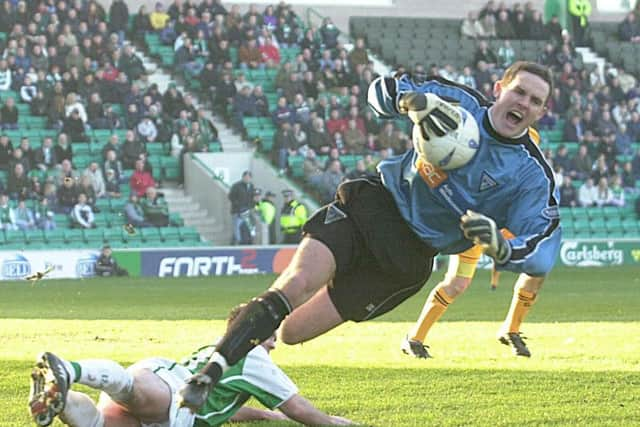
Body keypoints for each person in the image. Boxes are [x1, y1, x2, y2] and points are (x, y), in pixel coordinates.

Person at [178, 61, 561, 410]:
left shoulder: (531, 174)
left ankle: (251, 324)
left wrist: (500, 246)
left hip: (406, 261)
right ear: (499, 89)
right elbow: (382, 89)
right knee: (294, 284)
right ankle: (206, 375)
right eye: (519, 92)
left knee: (292, 332)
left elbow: (541, 250)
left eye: (535, 101)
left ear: (542, 112)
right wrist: (405, 102)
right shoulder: (457, 101)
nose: (524, 103)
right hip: (373, 206)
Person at [29, 307, 353, 427]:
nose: (274, 340)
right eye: (269, 332)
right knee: (130, 390)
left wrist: (268, 415)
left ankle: (58, 397)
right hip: (171, 390)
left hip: (168, 395)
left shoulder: (225, 353)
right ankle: (68, 370)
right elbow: (298, 407)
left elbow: (219, 406)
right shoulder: (252, 357)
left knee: (101, 422)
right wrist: (333, 424)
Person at [228, 170, 255, 245]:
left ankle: (248, 241)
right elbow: (231, 197)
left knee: (249, 227)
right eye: (246, 177)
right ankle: (237, 241)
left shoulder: (251, 186)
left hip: (247, 211)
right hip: (237, 211)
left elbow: (252, 198)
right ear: (243, 177)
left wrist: (251, 207)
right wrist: (238, 205)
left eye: (249, 177)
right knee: (237, 227)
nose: (247, 179)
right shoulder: (236, 186)